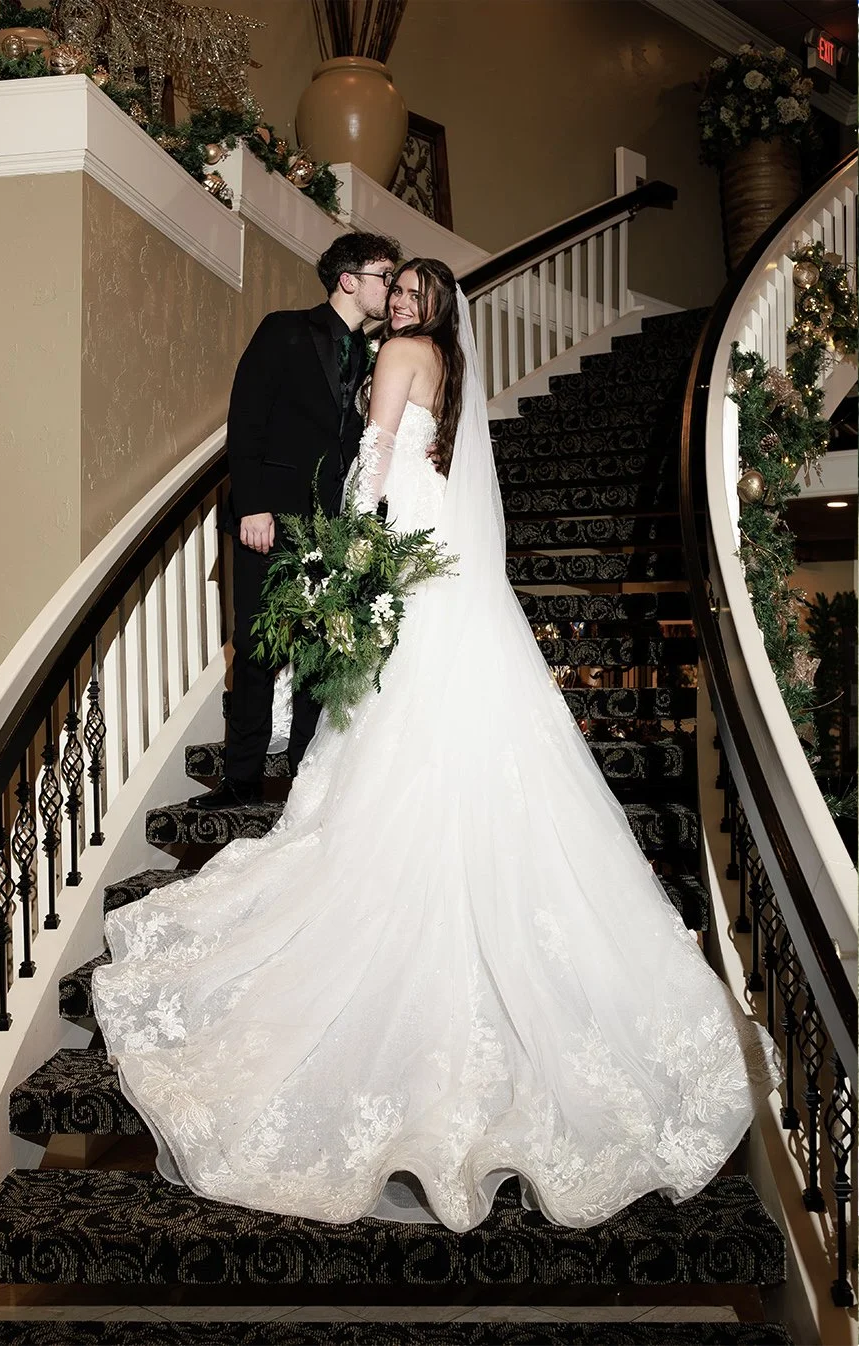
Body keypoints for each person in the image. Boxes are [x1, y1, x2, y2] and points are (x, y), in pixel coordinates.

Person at [93, 259, 779, 1233]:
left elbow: (372, 463)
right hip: (449, 579)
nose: (404, 298)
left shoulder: (400, 352)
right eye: (398, 284)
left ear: (431, 307)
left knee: (379, 751)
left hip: (399, 561)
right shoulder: (453, 366)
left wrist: (340, 553)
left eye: (415, 287)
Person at [191, 231, 401, 810]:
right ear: (348, 279)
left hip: (333, 528)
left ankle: (307, 776)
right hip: (272, 516)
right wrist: (252, 503)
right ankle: (240, 779)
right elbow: (248, 417)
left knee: (319, 650)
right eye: (385, 275)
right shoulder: (284, 329)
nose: (392, 287)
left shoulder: (377, 354)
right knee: (257, 647)